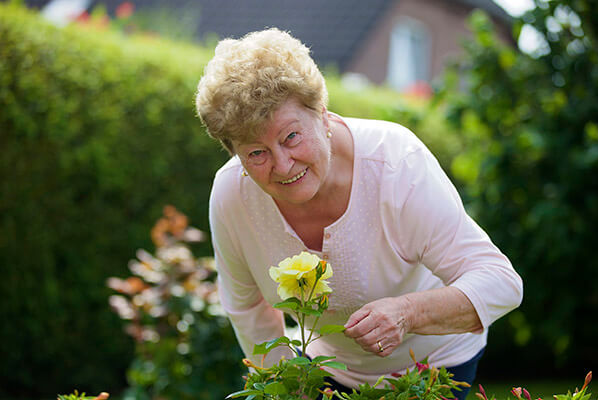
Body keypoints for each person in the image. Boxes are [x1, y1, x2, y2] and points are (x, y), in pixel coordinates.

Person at [195, 28, 523, 400]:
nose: (283, 166)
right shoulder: (231, 196)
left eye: (291, 137)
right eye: (256, 153)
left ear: (322, 114)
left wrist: (408, 312)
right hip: (328, 369)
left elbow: (501, 283)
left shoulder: (396, 163)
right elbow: (246, 306)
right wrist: (289, 384)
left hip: (434, 367)